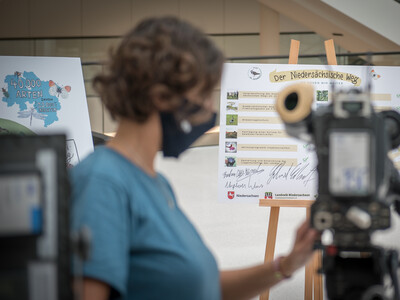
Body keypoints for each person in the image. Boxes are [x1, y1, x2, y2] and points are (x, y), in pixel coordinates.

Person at [70, 16, 319, 300]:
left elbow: (204, 287)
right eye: (203, 93)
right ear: (161, 95)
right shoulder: (102, 182)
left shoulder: (155, 182)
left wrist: (286, 265)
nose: (209, 108)